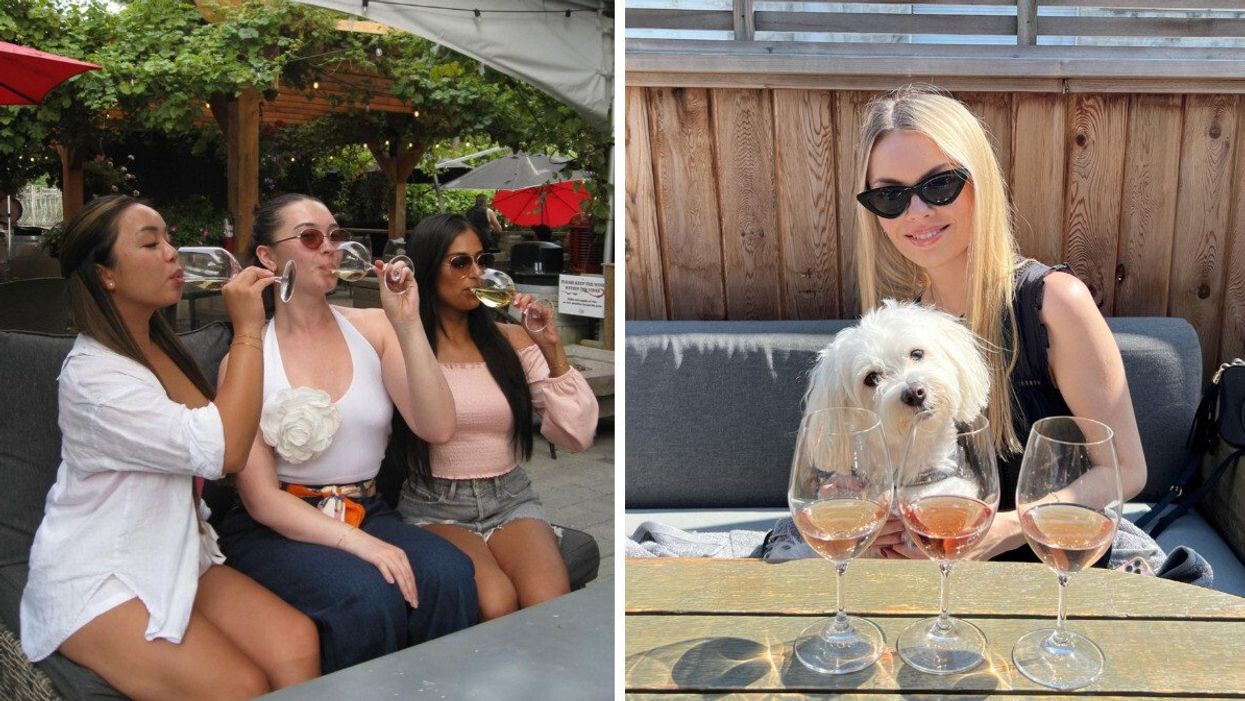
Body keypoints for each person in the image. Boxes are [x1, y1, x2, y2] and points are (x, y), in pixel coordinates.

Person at [20, 195, 319, 700]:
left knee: (298, 641)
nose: (172, 253)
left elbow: (219, 426)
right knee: (238, 685)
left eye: (169, 238)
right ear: (106, 274)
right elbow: (226, 452)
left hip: (173, 551)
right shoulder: (94, 380)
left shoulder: (157, 348)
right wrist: (249, 328)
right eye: (150, 243)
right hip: (101, 574)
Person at [850, 87, 1147, 561]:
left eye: (940, 185)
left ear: (980, 181)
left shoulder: (1051, 302)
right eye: (890, 196)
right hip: (932, 573)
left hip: (1047, 569)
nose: (918, 212)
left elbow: (1125, 470)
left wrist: (1003, 529)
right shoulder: (903, 330)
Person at [214, 194, 478, 673]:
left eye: (336, 236)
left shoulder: (374, 328)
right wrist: (359, 544)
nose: (330, 248)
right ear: (268, 258)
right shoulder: (247, 359)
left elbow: (437, 426)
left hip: (365, 507)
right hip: (278, 523)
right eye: (311, 237)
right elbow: (260, 500)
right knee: (365, 595)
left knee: (450, 573)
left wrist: (408, 324)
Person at [395, 213, 598, 620]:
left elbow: (578, 436)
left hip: (509, 496)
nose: (476, 272)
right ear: (429, 269)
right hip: (434, 504)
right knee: (495, 600)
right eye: (460, 263)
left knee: (549, 603)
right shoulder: (404, 343)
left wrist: (551, 347)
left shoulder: (511, 341)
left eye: (481, 259)